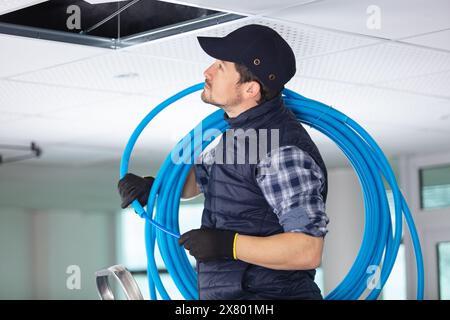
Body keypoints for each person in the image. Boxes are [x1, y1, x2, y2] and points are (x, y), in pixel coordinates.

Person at [118, 24, 329, 300]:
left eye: (220, 66)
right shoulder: (240, 136)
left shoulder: (281, 152)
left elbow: (306, 249)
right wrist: (153, 188)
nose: (207, 72)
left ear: (250, 89)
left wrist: (229, 245)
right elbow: (204, 180)